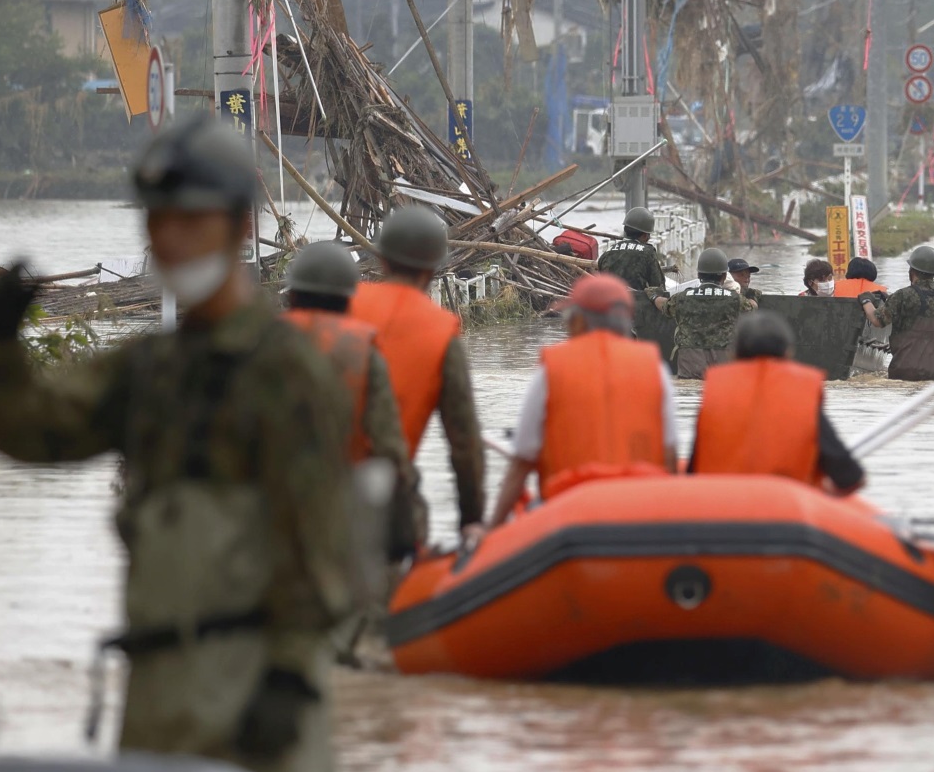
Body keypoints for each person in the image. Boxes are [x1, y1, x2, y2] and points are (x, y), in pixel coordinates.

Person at [0, 117, 353, 772]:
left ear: (239, 227)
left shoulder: (285, 371)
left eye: (191, 220)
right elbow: (37, 430)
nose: (170, 240)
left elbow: (321, 538)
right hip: (155, 682)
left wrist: (292, 675)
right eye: (158, 221)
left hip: (255, 678)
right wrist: (0, 345)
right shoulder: (150, 369)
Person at [350, 206, 486, 549]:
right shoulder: (441, 330)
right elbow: (465, 444)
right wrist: (472, 521)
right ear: (435, 268)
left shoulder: (342, 302)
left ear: (381, 261)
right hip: (382, 497)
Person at [490, 273, 677, 518]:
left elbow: (522, 459)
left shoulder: (553, 367)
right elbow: (670, 456)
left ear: (577, 322)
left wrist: (491, 529)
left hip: (569, 513)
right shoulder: (655, 368)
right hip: (636, 509)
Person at [282, 242, 422, 562]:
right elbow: (390, 448)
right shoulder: (363, 350)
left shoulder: (257, 342)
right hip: (340, 517)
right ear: (349, 300)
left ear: (291, 297)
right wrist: (404, 537)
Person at [688, 311, 865, 494]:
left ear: (733, 353)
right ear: (788, 352)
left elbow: (692, 475)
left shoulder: (715, 392)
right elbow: (851, 478)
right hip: (787, 512)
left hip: (721, 510)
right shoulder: (802, 394)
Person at [864, 245, 934, 381]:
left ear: (912, 271)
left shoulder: (902, 295)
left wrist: (865, 300)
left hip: (906, 371)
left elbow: (877, 320)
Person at [668, 246, 753, 379]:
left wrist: (653, 296)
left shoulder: (682, 297)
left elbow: (663, 305)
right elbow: (751, 307)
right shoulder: (735, 298)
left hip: (690, 365)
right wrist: (754, 297)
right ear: (725, 276)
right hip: (723, 366)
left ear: (698, 275)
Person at [594, 205, 667, 298]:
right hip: (636, 307)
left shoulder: (607, 253)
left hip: (609, 306)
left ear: (625, 229)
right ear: (646, 235)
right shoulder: (647, 252)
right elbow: (658, 287)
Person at [836, 257, 890, 373]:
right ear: (873, 273)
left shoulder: (836, 287)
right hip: (866, 340)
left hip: (839, 335)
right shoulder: (881, 291)